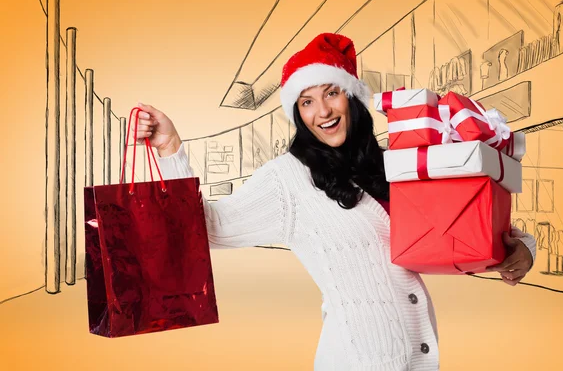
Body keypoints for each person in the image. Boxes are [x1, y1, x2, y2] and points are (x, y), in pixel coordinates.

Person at [133, 33, 537, 370]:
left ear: (353, 99)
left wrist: (522, 249)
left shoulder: (389, 164)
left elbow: (457, 225)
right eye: (306, 101)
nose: (322, 111)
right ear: (297, 112)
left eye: (331, 93)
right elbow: (206, 228)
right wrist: (171, 150)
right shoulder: (288, 178)